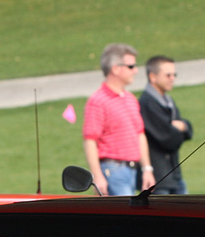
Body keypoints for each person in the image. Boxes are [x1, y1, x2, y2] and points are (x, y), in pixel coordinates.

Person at [82, 43, 153, 196]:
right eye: (131, 66)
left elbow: (139, 134)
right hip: (113, 170)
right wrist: (98, 177)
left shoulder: (130, 99)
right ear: (115, 68)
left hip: (132, 171)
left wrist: (147, 169)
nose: (136, 70)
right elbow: (90, 140)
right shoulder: (97, 101)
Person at [139, 55, 193, 194]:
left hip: (174, 173)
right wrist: (179, 129)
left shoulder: (168, 101)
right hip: (159, 178)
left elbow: (188, 129)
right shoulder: (147, 103)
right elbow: (167, 139)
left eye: (174, 74)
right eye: (168, 75)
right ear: (153, 77)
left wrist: (183, 127)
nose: (172, 78)